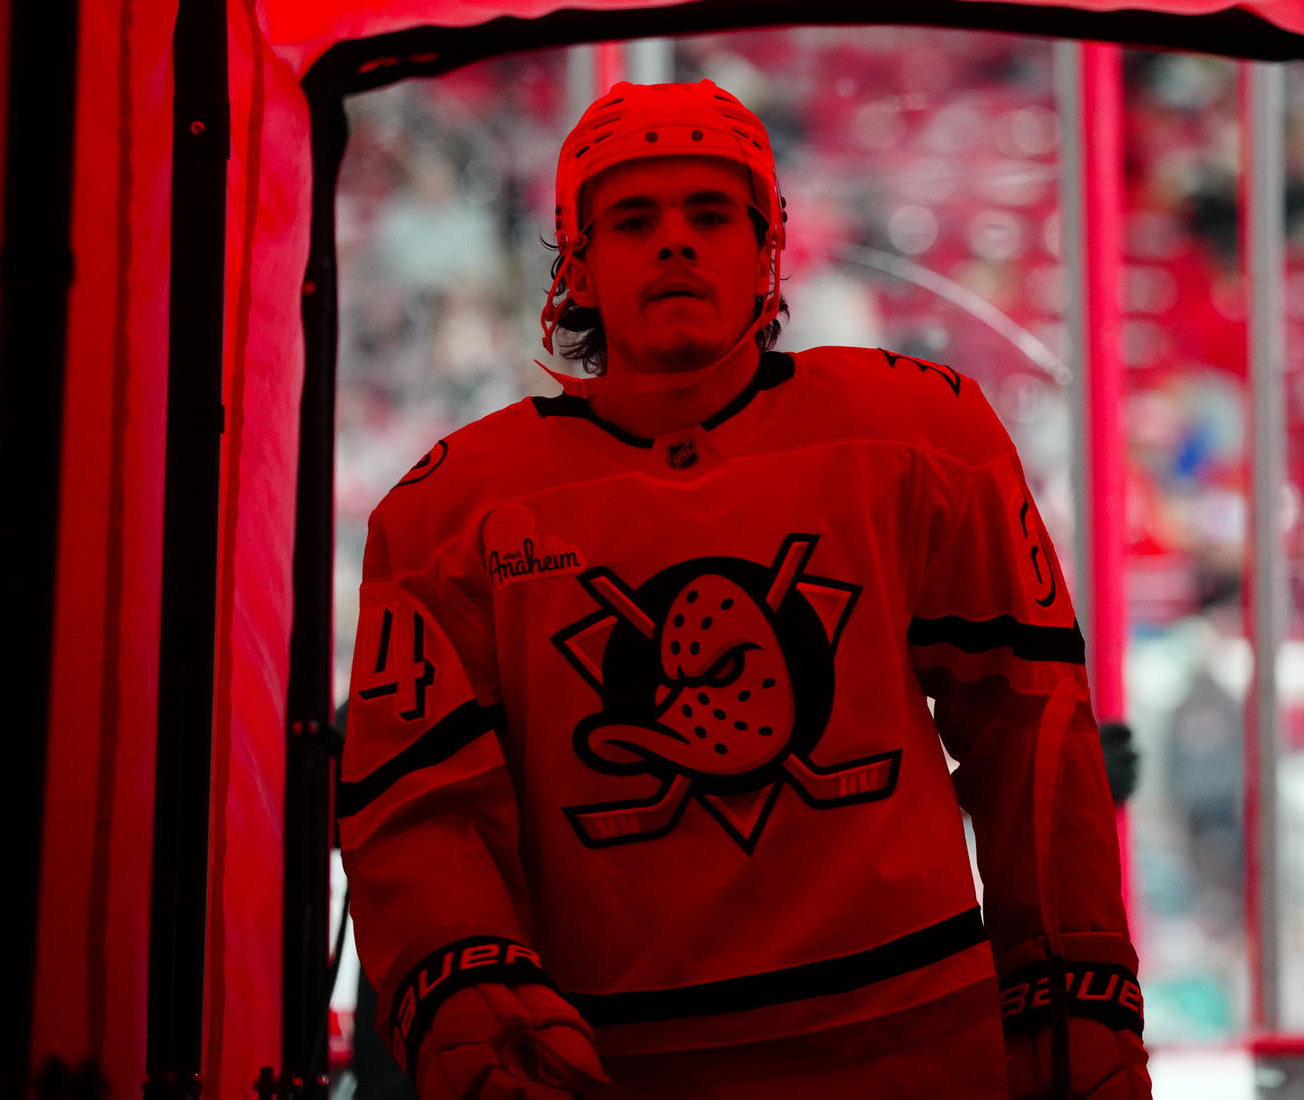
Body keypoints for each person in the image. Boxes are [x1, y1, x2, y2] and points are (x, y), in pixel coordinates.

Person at [339, 79, 1151, 1100]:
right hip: (620, 1072)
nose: (676, 241)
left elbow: (1030, 731)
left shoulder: (919, 438)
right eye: (634, 219)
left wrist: (1074, 987)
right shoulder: (449, 513)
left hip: (917, 1052)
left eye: (711, 214)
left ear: (767, 251)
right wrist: (475, 1003)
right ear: (576, 264)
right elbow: (420, 811)